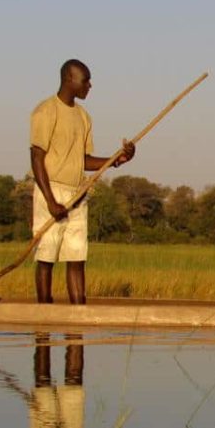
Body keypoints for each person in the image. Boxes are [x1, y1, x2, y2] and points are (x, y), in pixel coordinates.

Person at [30, 59, 135, 304]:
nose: (90, 85)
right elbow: (36, 158)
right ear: (69, 79)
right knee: (46, 258)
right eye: (85, 80)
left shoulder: (84, 117)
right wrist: (50, 201)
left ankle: (78, 317)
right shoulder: (46, 111)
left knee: (77, 258)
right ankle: (44, 315)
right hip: (51, 190)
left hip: (78, 193)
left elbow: (84, 160)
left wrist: (117, 159)